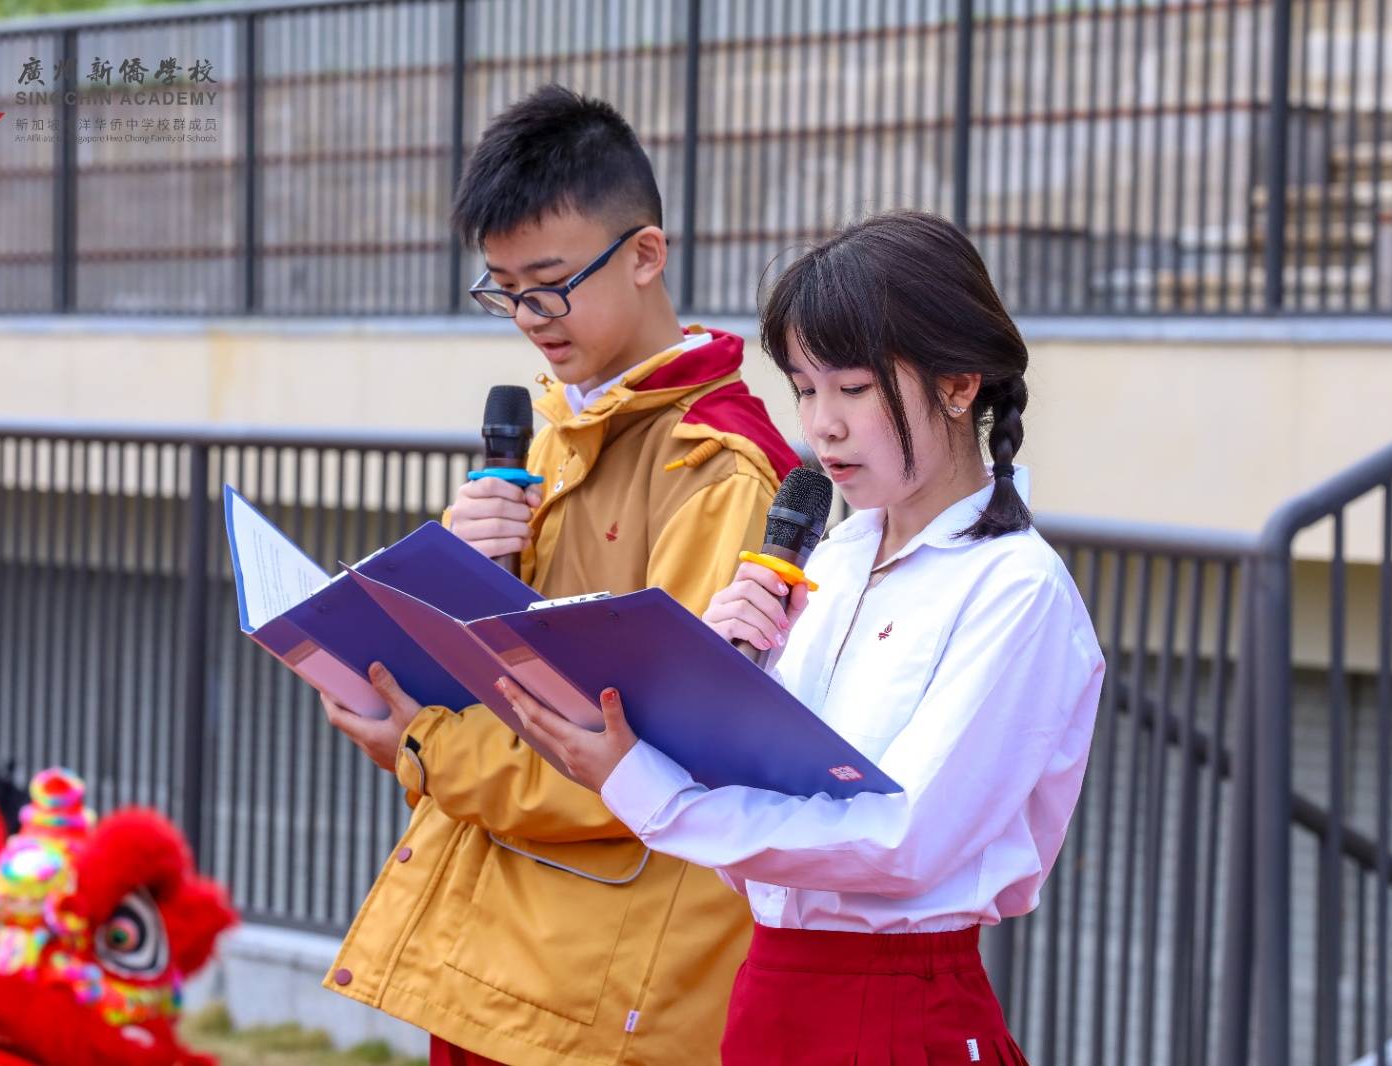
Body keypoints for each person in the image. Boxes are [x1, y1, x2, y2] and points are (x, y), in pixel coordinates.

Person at [499, 211, 1106, 1065]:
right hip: (769, 990)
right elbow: (760, 834)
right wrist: (710, 682)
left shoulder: (1016, 588)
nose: (822, 425)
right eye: (805, 388)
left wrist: (653, 795)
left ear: (960, 384)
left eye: (852, 389)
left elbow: (901, 839)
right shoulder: (836, 554)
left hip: (897, 1008)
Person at [317, 85, 800, 1066]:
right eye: (501, 289)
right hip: (506, 956)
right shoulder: (550, 435)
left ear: (645, 254)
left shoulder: (718, 471)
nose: (527, 317)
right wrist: (447, 584)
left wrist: (421, 742)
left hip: (604, 996)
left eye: (547, 284)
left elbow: (648, 764)